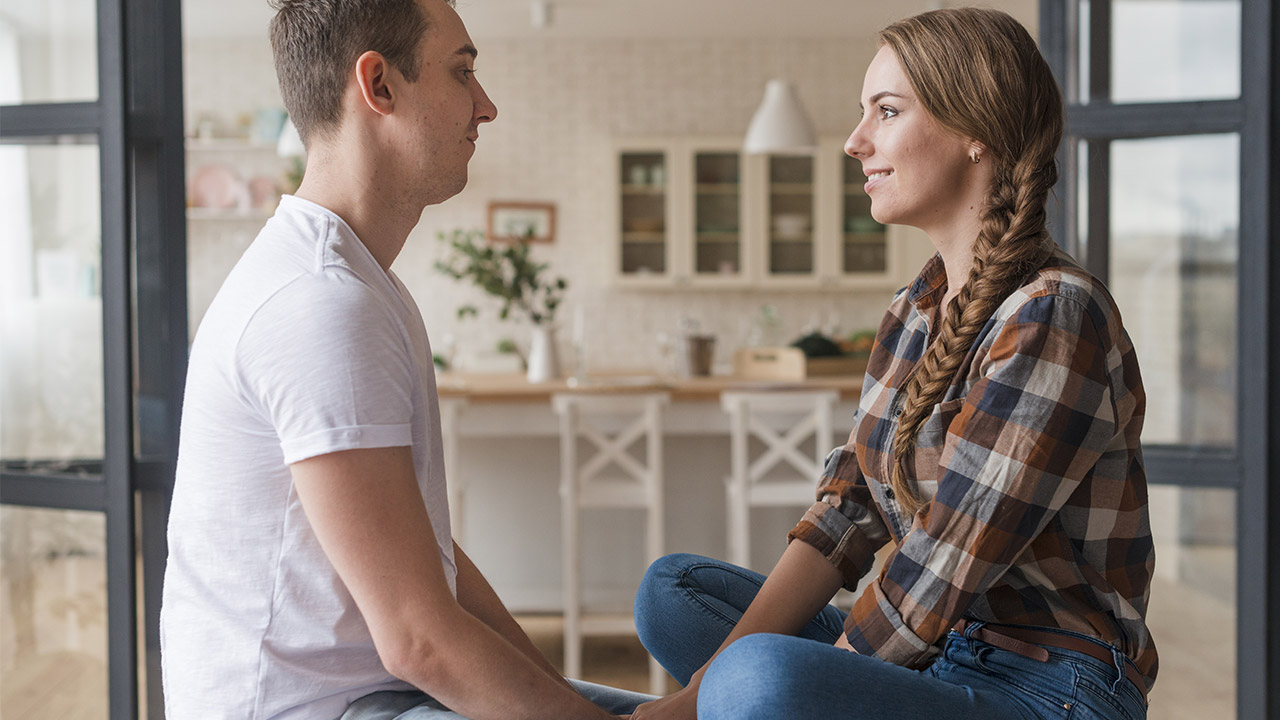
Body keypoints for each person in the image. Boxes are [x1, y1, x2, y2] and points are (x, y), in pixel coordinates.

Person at [631, 8, 1157, 720]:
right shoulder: (917, 309)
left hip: (1049, 684)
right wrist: (699, 698)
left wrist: (710, 698)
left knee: (755, 679)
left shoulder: (1055, 315)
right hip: (943, 655)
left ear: (978, 131)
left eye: (886, 111)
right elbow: (848, 510)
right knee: (672, 591)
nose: (854, 143)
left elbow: (939, 569)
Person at [159, 1, 650, 718]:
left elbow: (422, 557)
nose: (486, 105)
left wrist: (556, 691)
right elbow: (419, 641)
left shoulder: (358, 283)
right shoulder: (322, 305)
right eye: (464, 72)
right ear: (379, 86)